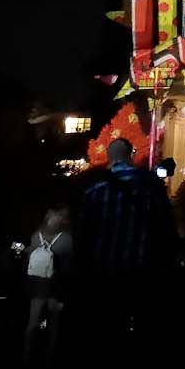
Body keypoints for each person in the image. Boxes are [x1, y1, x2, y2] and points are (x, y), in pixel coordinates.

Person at [75, 137, 173, 342]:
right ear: (132, 155)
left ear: (109, 157)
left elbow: (83, 231)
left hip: (105, 269)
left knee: (108, 325)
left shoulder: (95, 188)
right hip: (142, 268)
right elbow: (166, 225)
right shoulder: (151, 185)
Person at [23, 206, 72, 364]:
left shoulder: (35, 236)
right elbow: (67, 268)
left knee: (32, 323)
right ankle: (48, 358)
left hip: (37, 285)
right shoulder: (66, 238)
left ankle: (26, 355)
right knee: (53, 325)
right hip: (55, 286)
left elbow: (28, 260)